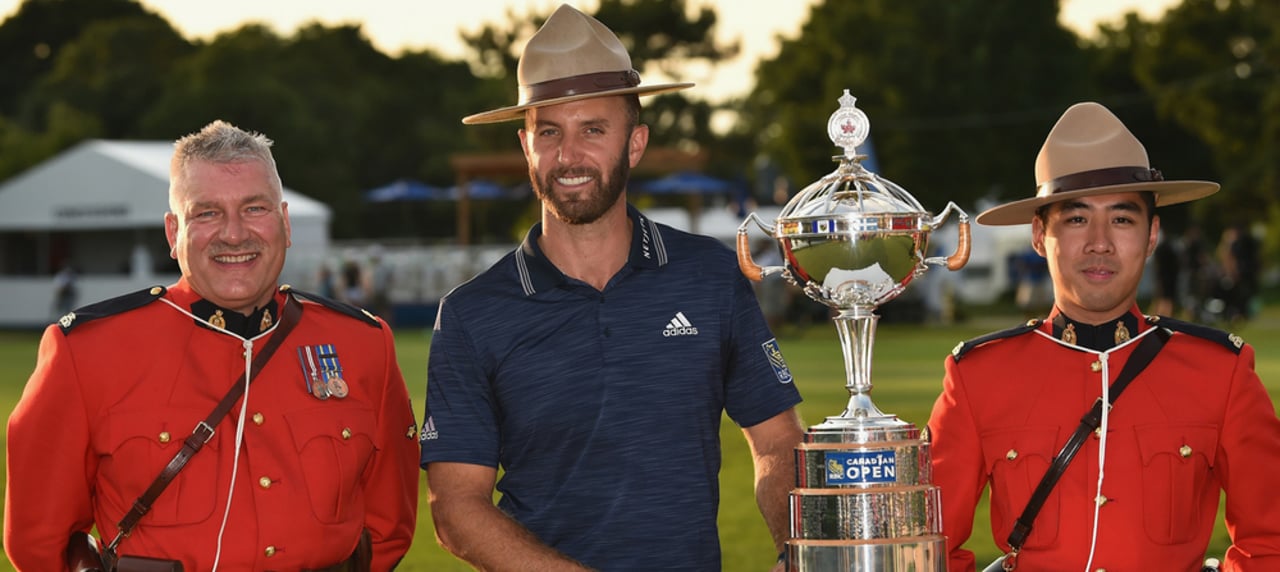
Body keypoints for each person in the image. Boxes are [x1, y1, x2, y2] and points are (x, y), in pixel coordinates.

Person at [419, 5, 804, 571]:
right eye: (548, 132)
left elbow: (777, 442)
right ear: (527, 146)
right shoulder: (472, 314)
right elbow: (455, 507)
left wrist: (793, 554)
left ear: (636, 142)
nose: (568, 156)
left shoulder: (708, 275)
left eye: (593, 130)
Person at [5, 120, 420, 570]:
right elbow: (41, 541)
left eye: (255, 209)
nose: (235, 234)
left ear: (284, 221)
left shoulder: (362, 345)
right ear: (172, 233)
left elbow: (387, 527)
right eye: (206, 213)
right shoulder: (87, 352)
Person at [926, 101, 1280, 571]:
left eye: (1122, 218)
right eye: (1075, 218)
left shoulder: (1221, 372)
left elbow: (1271, 544)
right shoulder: (978, 377)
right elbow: (931, 547)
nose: (1100, 242)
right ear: (1039, 234)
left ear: (1152, 234)